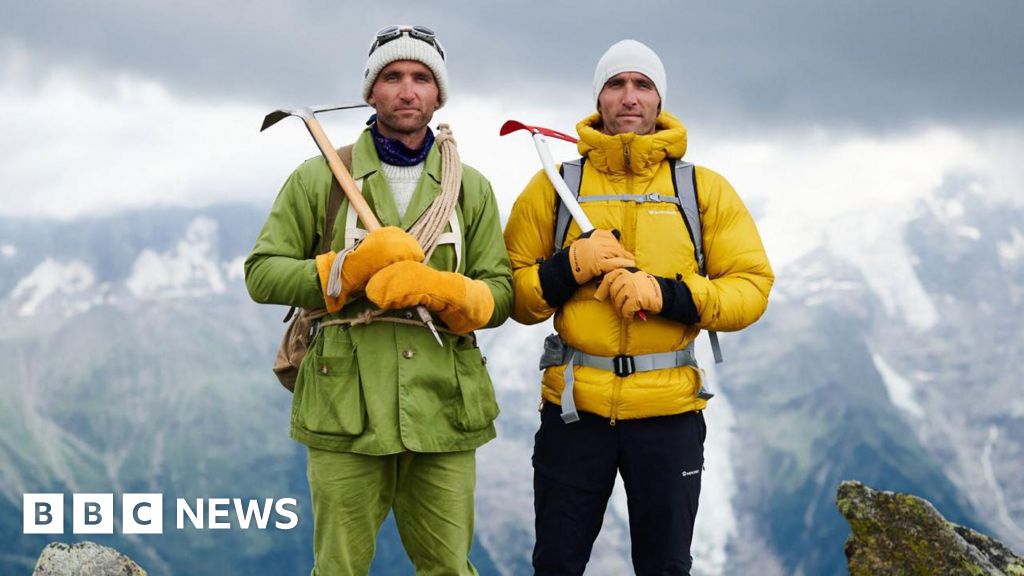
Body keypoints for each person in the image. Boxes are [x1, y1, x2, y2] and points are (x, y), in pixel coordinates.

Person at [245, 24, 512, 576]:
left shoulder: (470, 188)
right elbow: (262, 274)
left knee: (449, 569)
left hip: (443, 406)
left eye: (421, 78)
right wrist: (346, 270)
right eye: (392, 77)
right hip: (344, 407)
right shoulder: (319, 178)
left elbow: (501, 292)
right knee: (338, 568)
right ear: (371, 91)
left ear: (439, 94)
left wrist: (445, 289)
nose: (407, 90)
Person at [503, 39, 774, 575]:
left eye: (642, 85)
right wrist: (569, 267)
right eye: (616, 84)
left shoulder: (701, 190)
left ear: (659, 99)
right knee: (556, 564)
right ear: (599, 99)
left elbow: (751, 289)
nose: (629, 96)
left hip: (669, 415)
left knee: (665, 567)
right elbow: (512, 296)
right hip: (574, 410)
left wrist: (667, 294)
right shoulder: (555, 187)